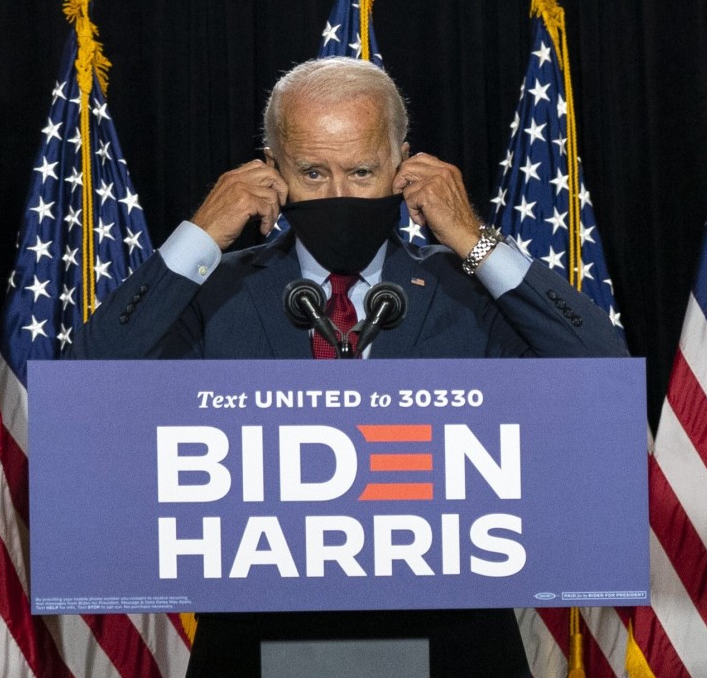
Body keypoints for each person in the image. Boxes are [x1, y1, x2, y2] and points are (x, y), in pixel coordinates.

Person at [72, 57, 626, 677]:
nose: (338, 195)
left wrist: (472, 238)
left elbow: (600, 372)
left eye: (362, 171)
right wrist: (202, 235)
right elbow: (88, 386)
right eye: (312, 172)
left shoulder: (467, 292)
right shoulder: (216, 292)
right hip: (259, 648)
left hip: (454, 646)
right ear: (272, 172)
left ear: (403, 166)